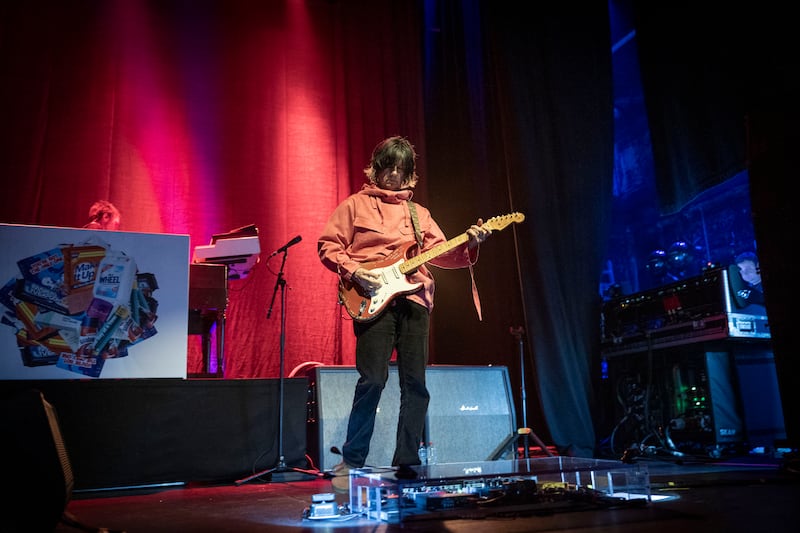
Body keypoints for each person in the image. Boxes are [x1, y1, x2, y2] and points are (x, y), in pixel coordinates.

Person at [317, 136, 492, 492]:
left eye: (401, 169)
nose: (394, 175)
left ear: (409, 174)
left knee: (415, 385)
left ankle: (408, 463)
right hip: (372, 299)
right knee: (373, 381)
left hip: (414, 300)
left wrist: (469, 242)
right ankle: (352, 460)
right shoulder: (354, 206)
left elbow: (441, 253)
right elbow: (328, 246)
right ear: (376, 168)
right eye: (389, 168)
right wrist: (354, 271)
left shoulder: (420, 214)